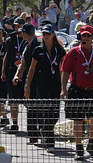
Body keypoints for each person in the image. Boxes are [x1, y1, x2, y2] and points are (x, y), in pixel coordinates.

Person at [61, 25, 93, 161]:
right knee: (78, 120)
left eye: (88, 35)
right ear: (79, 37)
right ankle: (78, 146)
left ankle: (91, 143)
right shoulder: (73, 52)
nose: (86, 38)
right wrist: (63, 89)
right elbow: (65, 71)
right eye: (83, 36)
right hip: (77, 89)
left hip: (92, 90)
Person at [24, 24, 66, 153]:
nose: (46, 36)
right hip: (42, 84)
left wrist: (64, 87)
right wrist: (27, 87)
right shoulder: (38, 50)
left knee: (55, 114)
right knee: (47, 111)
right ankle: (49, 141)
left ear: (53, 34)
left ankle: (44, 129)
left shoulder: (59, 50)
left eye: (48, 34)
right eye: (44, 34)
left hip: (55, 84)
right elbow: (31, 69)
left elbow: (64, 69)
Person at [13, 23, 41, 144]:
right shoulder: (25, 44)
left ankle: (41, 131)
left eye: (22, 32)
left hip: (38, 79)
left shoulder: (38, 45)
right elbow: (23, 63)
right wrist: (17, 74)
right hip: (28, 79)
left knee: (38, 107)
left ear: (26, 33)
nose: (20, 34)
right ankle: (33, 135)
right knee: (30, 107)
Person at [1, 17, 25, 133]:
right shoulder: (11, 40)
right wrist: (3, 71)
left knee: (27, 98)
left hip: (24, 73)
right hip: (12, 72)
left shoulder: (28, 40)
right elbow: (6, 56)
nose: (17, 28)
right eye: (16, 26)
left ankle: (33, 125)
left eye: (19, 26)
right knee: (13, 100)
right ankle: (14, 123)